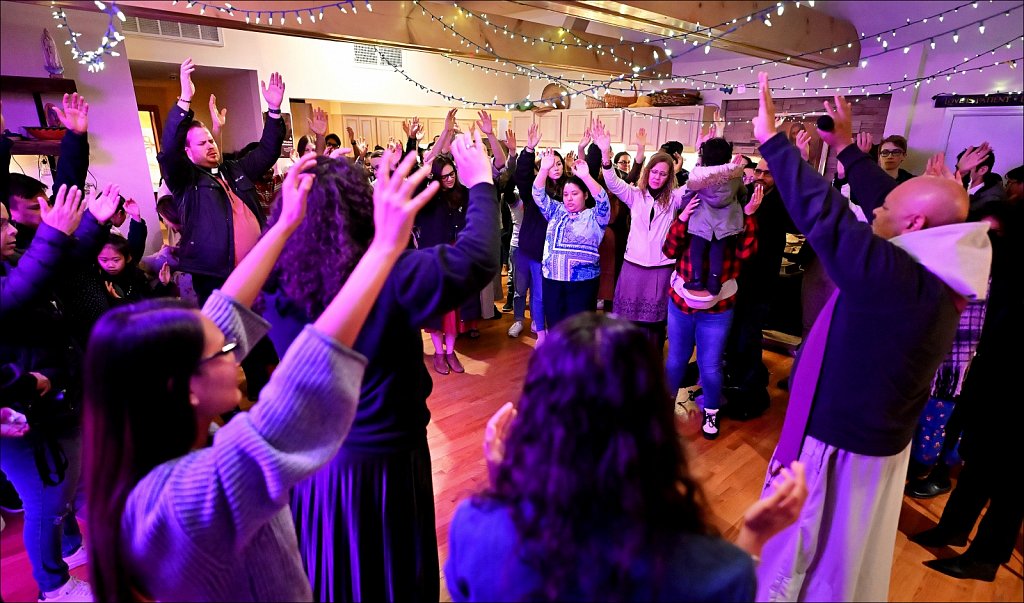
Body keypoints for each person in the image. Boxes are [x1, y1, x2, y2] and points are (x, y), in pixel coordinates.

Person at [82, 151, 434, 601]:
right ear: (184, 388)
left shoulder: (160, 444)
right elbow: (302, 387)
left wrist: (284, 223)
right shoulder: (184, 501)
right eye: (226, 351)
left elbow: (224, 313)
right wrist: (384, 248)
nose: (238, 353)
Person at [749, 73, 991, 602]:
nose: (874, 207)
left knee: (801, 558)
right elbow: (896, 205)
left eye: (885, 208)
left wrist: (773, 143)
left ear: (914, 223)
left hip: (837, 447)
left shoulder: (899, 279)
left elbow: (831, 219)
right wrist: (845, 151)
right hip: (869, 440)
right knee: (841, 557)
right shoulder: (940, 261)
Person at [263, 132, 499, 602]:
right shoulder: (393, 276)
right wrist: (482, 183)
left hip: (313, 463)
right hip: (386, 462)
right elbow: (478, 257)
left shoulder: (276, 279)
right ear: (360, 210)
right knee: (388, 574)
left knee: (334, 571)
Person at [445, 312, 808, 601]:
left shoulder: (473, 528)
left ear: (537, 418)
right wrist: (752, 541)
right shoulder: (718, 573)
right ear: (655, 425)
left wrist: (506, 484)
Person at [2, 182, 120, 603]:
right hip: (19, 412)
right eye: (2, 224)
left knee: (71, 483)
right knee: (47, 500)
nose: (12, 227)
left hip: (52, 400)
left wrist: (94, 222)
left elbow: (60, 264)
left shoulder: (11, 261)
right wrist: (25, 384)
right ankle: (53, 586)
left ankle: (70, 548)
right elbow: (16, 294)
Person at [911, 198, 1023, 583]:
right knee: (980, 463)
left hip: (1014, 383)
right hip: (996, 374)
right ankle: (954, 529)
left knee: (1012, 481)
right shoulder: (1004, 260)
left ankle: (986, 557)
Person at [157, 58, 286, 305]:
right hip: (218, 277)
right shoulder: (185, 180)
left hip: (257, 269)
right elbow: (169, 150)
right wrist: (184, 100)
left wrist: (273, 111)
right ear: (188, 152)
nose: (211, 146)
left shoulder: (233, 168)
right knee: (227, 334)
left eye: (211, 141)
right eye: (202, 143)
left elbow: (267, 152)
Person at [593, 122, 687, 351]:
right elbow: (613, 182)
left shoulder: (674, 199)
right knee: (627, 321)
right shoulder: (635, 195)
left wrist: (705, 155)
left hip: (661, 268)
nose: (657, 177)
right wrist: (605, 155)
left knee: (655, 325)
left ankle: (650, 365)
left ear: (669, 176)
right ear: (648, 172)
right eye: (654, 172)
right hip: (632, 266)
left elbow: (696, 184)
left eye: (663, 174)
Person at [722, 158, 797, 420]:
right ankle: (734, 383)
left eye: (768, 173)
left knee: (748, 337)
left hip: (760, 282)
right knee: (734, 335)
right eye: (759, 171)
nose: (761, 176)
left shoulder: (782, 202)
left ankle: (749, 392)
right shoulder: (747, 195)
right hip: (737, 279)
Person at [532, 150, 610, 329]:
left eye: (574, 193)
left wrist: (586, 177)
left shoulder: (596, 216)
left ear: (585, 195)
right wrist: (543, 169)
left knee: (580, 331)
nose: (569, 198)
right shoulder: (555, 210)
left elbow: (603, 201)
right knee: (555, 326)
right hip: (553, 280)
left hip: (583, 284)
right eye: (566, 194)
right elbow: (537, 194)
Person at [414, 156, 473, 373]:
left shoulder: (463, 194)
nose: (449, 179)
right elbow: (415, 182)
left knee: (454, 308)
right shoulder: (429, 196)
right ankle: (439, 353)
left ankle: (451, 352)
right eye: (444, 175)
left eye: (452, 174)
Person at [681, 139, 749, 297]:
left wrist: (685, 207)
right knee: (717, 253)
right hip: (725, 223)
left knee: (696, 251)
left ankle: (697, 280)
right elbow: (742, 194)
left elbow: (688, 196)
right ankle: (714, 283)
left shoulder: (698, 176)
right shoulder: (735, 175)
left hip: (701, 221)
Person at [956, 143, 1005, 220]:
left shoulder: (991, 201)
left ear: (982, 170)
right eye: (958, 168)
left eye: (966, 169)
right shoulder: (961, 184)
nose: (958, 173)